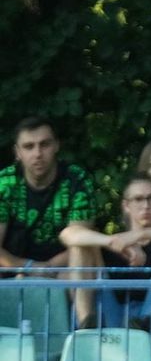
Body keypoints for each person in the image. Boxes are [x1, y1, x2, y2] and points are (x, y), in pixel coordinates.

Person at [59, 173, 151, 334]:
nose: (146, 205)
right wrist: (111, 242)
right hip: (110, 318)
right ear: (126, 206)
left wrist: (141, 234)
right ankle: (85, 325)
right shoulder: (112, 241)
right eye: (138, 199)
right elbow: (68, 234)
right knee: (82, 246)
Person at [0, 117, 95, 273]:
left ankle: (80, 299)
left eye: (44, 144)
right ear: (18, 152)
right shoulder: (3, 183)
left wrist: (46, 269)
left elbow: (82, 242)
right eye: (29, 147)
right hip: (11, 271)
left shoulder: (77, 180)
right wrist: (29, 267)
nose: (38, 153)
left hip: (63, 270)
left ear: (56, 145)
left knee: (86, 250)